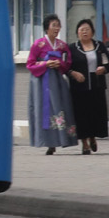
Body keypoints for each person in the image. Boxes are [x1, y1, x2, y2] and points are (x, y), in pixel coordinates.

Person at [27, 15, 76, 154]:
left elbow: (67, 64)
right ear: (47, 27)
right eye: (54, 25)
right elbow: (30, 64)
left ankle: (62, 139)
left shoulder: (62, 46)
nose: (57, 28)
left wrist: (59, 64)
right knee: (44, 110)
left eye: (58, 25)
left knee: (60, 109)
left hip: (57, 81)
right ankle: (48, 142)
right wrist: (45, 63)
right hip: (42, 82)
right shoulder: (38, 44)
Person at [67, 19, 109, 154]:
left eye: (87, 29)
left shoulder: (99, 46)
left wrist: (104, 69)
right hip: (79, 88)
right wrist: (73, 73)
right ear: (77, 32)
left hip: (97, 86)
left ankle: (93, 137)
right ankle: (84, 143)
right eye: (81, 29)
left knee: (95, 114)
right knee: (81, 115)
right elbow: (66, 67)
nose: (84, 32)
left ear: (93, 32)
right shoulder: (72, 48)